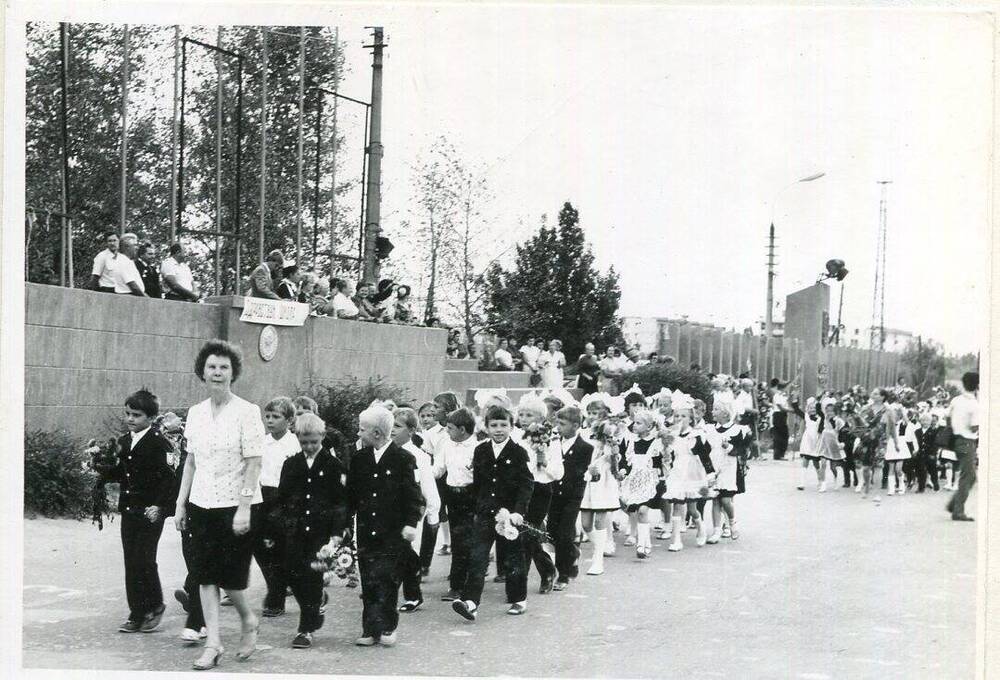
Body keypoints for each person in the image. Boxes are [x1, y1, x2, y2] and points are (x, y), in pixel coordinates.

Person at [174, 340, 265, 670]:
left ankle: (248, 618)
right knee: (204, 575)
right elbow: (191, 462)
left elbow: (254, 463)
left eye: (224, 367)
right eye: (212, 366)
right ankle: (213, 642)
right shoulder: (196, 413)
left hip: (233, 505)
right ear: (203, 371)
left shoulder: (247, 411)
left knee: (231, 578)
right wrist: (180, 504)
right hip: (200, 504)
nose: (217, 372)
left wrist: (243, 508)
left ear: (233, 373)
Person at [344, 405, 424, 647]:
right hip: (367, 531)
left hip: (394, 533)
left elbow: (414, 497)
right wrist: (344, 525)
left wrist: (411, 524)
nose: (358, 434)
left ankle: (388, 626)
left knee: (388, 579)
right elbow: (351, 497)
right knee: (369, 580)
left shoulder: (404, 459)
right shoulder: (359, 460)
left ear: (377, 433)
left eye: (362, 430)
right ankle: (370, 628)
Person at [101, 389, 175, 634]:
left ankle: (154, 605)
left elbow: (169, 479)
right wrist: (101, 466)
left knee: (144, 559)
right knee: (131, 560)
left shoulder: (159, 442)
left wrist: (162, 507)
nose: (131, 419)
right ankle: (136, 613)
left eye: (137, 415)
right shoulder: (123, 441)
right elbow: (121, 473)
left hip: (150, 512)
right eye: (128, 414)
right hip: (130, 510)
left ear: (151, 417)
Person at [271, 413, 347, 649]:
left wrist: (337, 534)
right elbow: (281, 499)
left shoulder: (334, 466)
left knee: (312, 579)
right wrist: (278, 526)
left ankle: (306, 629)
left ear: (323, 436)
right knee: (293, 576)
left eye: (314, 442)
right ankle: (316, 604)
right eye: (304, 442)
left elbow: (341, 503)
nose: (310, 447)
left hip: (321, 535)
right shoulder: (291, 464)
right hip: (294, 532)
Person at [452, 405, 533, 621]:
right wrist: (477, 508)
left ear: (511, 426)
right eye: (493, 425)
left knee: (513, 557)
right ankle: (471, 602)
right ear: (486, 427)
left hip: (510, 516)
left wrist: (518, 512)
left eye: (503, 425)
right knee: (477, 556)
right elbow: (478, 484)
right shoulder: (480, 451)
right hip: (486, 514)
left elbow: (526, 485)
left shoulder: (518, 452)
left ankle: (518, 598)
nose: (498, 429)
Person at [392, 407, 441, 613]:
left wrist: (432, 513)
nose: (392, 430)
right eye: (391, 426)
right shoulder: (386, 451)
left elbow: (428, 487)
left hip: (410, 509)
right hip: (389, 508)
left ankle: (412, 595)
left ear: (411, 431)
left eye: (397, 426)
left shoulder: (418, 456)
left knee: (405, 552)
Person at [256, 397, 301, 618]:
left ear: (290, 420)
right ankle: (276, 590)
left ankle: (279, 596)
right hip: (262, 497)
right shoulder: (262, 442)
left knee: (284, 551)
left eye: (276, 417)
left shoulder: (295, 444)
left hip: (286, 500)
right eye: (268, 416)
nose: (270, 421)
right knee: (262, 549)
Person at [433, 407, 480, 602]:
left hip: (471, 496)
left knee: (467, 541)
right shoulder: (447, 445)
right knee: (458, 540)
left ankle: (462, 585)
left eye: (450, 428)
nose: (447, 431)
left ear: (462, 429)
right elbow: (438, 469)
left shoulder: (478, 448)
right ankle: (457, 584)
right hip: (453, 497)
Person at [544, 406, 594, 590]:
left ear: (575, 425)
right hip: (554, 493)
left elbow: (582, 473)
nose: (558, 427)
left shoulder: (585, 447)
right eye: (557, 422)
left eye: (562, 424)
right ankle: (573, 554)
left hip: (572, 496)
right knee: (552, 532)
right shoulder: (553, 442)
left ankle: (563, 574)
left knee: (565, 533)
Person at [708, 400, 751, 542]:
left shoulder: (737, 430)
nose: (712, 412)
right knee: (715, 500)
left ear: (726, 413)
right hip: (715, 468)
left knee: (726, 500)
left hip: (729, 469)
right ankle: (716, 531)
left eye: (716, 410)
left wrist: (729, 447)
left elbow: (741, 452)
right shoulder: (710, 430)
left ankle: (732, 523)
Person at [946, 372, 979, 521]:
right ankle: (958, 511)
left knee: (969, 476)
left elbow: (947, 416)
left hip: (956, 440)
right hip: (968, 440)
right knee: (968, 476)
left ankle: (954, 504)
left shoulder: (956, 400)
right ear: (977, 385)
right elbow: (974, 427)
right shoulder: (975, 404)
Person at [769, 379, 791, 460]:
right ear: (782, 388)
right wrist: (792, 410)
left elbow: (786, 405)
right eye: (785, 387)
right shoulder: (777, 396)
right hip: (778, 415)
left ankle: (781, 454)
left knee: (784, 435)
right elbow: (781, 408)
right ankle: (778, 454)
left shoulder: (783, 396)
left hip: (783, 415)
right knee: (779, 436)